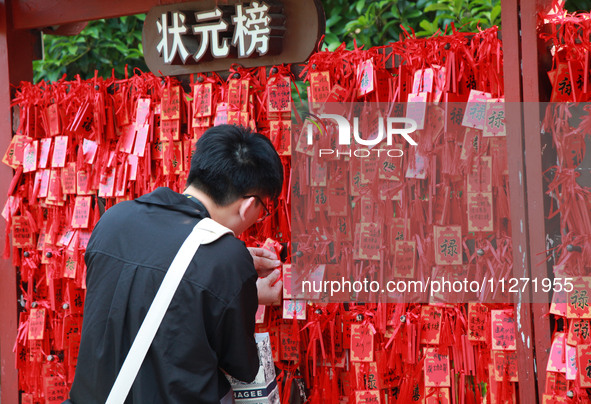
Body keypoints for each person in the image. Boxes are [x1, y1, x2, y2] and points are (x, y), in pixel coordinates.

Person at [64, 124, 284, 404]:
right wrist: (244, 291)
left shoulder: (113, 220)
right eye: (263, 208)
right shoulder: (227, 258)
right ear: (248, 205)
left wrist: (229, 276)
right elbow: (240, 365)